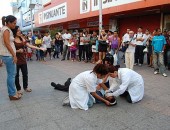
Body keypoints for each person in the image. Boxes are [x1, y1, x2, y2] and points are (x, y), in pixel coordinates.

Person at [12, 26, 45, 94]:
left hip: (23, 59)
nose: (19, 32)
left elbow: (29, 45)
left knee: (25, 74)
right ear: (14, 31)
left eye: (19, 30)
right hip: (15, 59)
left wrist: (39, 48)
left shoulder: (22, 38)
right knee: (16, 75)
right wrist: (17, 51)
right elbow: (10, 50)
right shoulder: (12, 39)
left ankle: (25, 87)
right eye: (18, 31)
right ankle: (18, 89)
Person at [0, 15, 21, 100]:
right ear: (9, 22)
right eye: (14, 23)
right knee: (11, 75)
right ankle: (12, 94)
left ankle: (13, 92)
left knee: (11, 75)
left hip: (7, 54)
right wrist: (14, 55)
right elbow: (7, 43)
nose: (15, 25)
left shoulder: (6, 29)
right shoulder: (6, 30)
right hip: (8, 55)